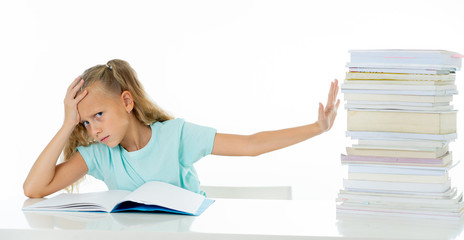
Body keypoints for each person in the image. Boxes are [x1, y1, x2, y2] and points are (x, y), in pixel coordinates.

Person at [23, 59, 340, 198]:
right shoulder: (100, 155)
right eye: (86, 122)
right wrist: (68, 123)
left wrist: (316, 128)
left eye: (99, 114)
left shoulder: (176, 136)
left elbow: (250, 145)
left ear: (127, 102)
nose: (93, 129)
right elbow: (34, 189)